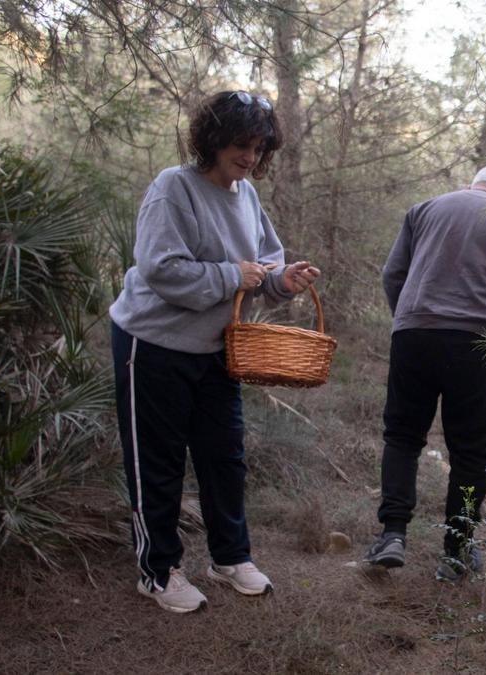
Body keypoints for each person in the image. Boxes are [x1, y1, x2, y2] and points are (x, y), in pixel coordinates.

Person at [109, 91, 321, 613]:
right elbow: (160, 268)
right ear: (212, 139)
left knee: (225, 457)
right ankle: (158, 571)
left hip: (217, 348)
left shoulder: (246, 195)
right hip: (152, 343)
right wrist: (233, 275)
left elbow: (263, 266)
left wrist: (283, 279)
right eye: (240, 144)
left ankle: (229, 558)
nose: (249, 157)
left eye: (258, 147)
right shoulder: (174, 187)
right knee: (157, 462)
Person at [363, 166, 486, 582]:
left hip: (413, 335)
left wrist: (410, 319)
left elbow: (392, 275)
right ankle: (456, 551)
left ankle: (392, 535)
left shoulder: (424, 210)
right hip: (477, 344)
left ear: (475, 185)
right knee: (471, 454)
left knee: (402, 437)